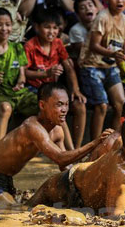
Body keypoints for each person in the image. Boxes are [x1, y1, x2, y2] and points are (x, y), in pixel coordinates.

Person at [0, 83, 113, 205]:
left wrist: (91, 172)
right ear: (42, 105)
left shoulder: (57, 132)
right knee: (14, 211)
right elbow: (60, 158)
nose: (64, 110)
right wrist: (94, 143)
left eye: (66, 105)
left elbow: (66, 167)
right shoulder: (32, 127)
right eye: (59, 104)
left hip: (6, 180)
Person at [27, 115, 125, 216]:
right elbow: (114, 220)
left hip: (82, 182)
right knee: (24, 210)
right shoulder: (121, 172)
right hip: (66, 187)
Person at [24, 9, 87, 149]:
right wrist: (45, 74)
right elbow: (25, 73)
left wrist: (75, 90)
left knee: (80, 106)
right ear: (37, 27)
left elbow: (69, 68)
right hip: (36, 89)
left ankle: (77, 148)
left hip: (56, 90)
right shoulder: (30, 46)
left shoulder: (58, 44)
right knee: (58, 110)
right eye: (47, 27)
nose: (51, 31)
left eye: (54, 28)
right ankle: (71, 151)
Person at [78, 0, 125, 140]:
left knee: (121, 104)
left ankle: (113, 142)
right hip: (92, 67)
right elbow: (94, 45)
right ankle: (95, 145)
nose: (120, 0)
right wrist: (113, 54)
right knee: (101, 105)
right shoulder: (102, 17)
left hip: (110, 67)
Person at [0, 8, 38, 145]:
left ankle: (67, 149)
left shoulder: (17, 48)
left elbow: (22, 76)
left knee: (47, 105)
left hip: (18, 93)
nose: (4, 28)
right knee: (5, 107)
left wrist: (20, 83)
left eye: (8, 24)